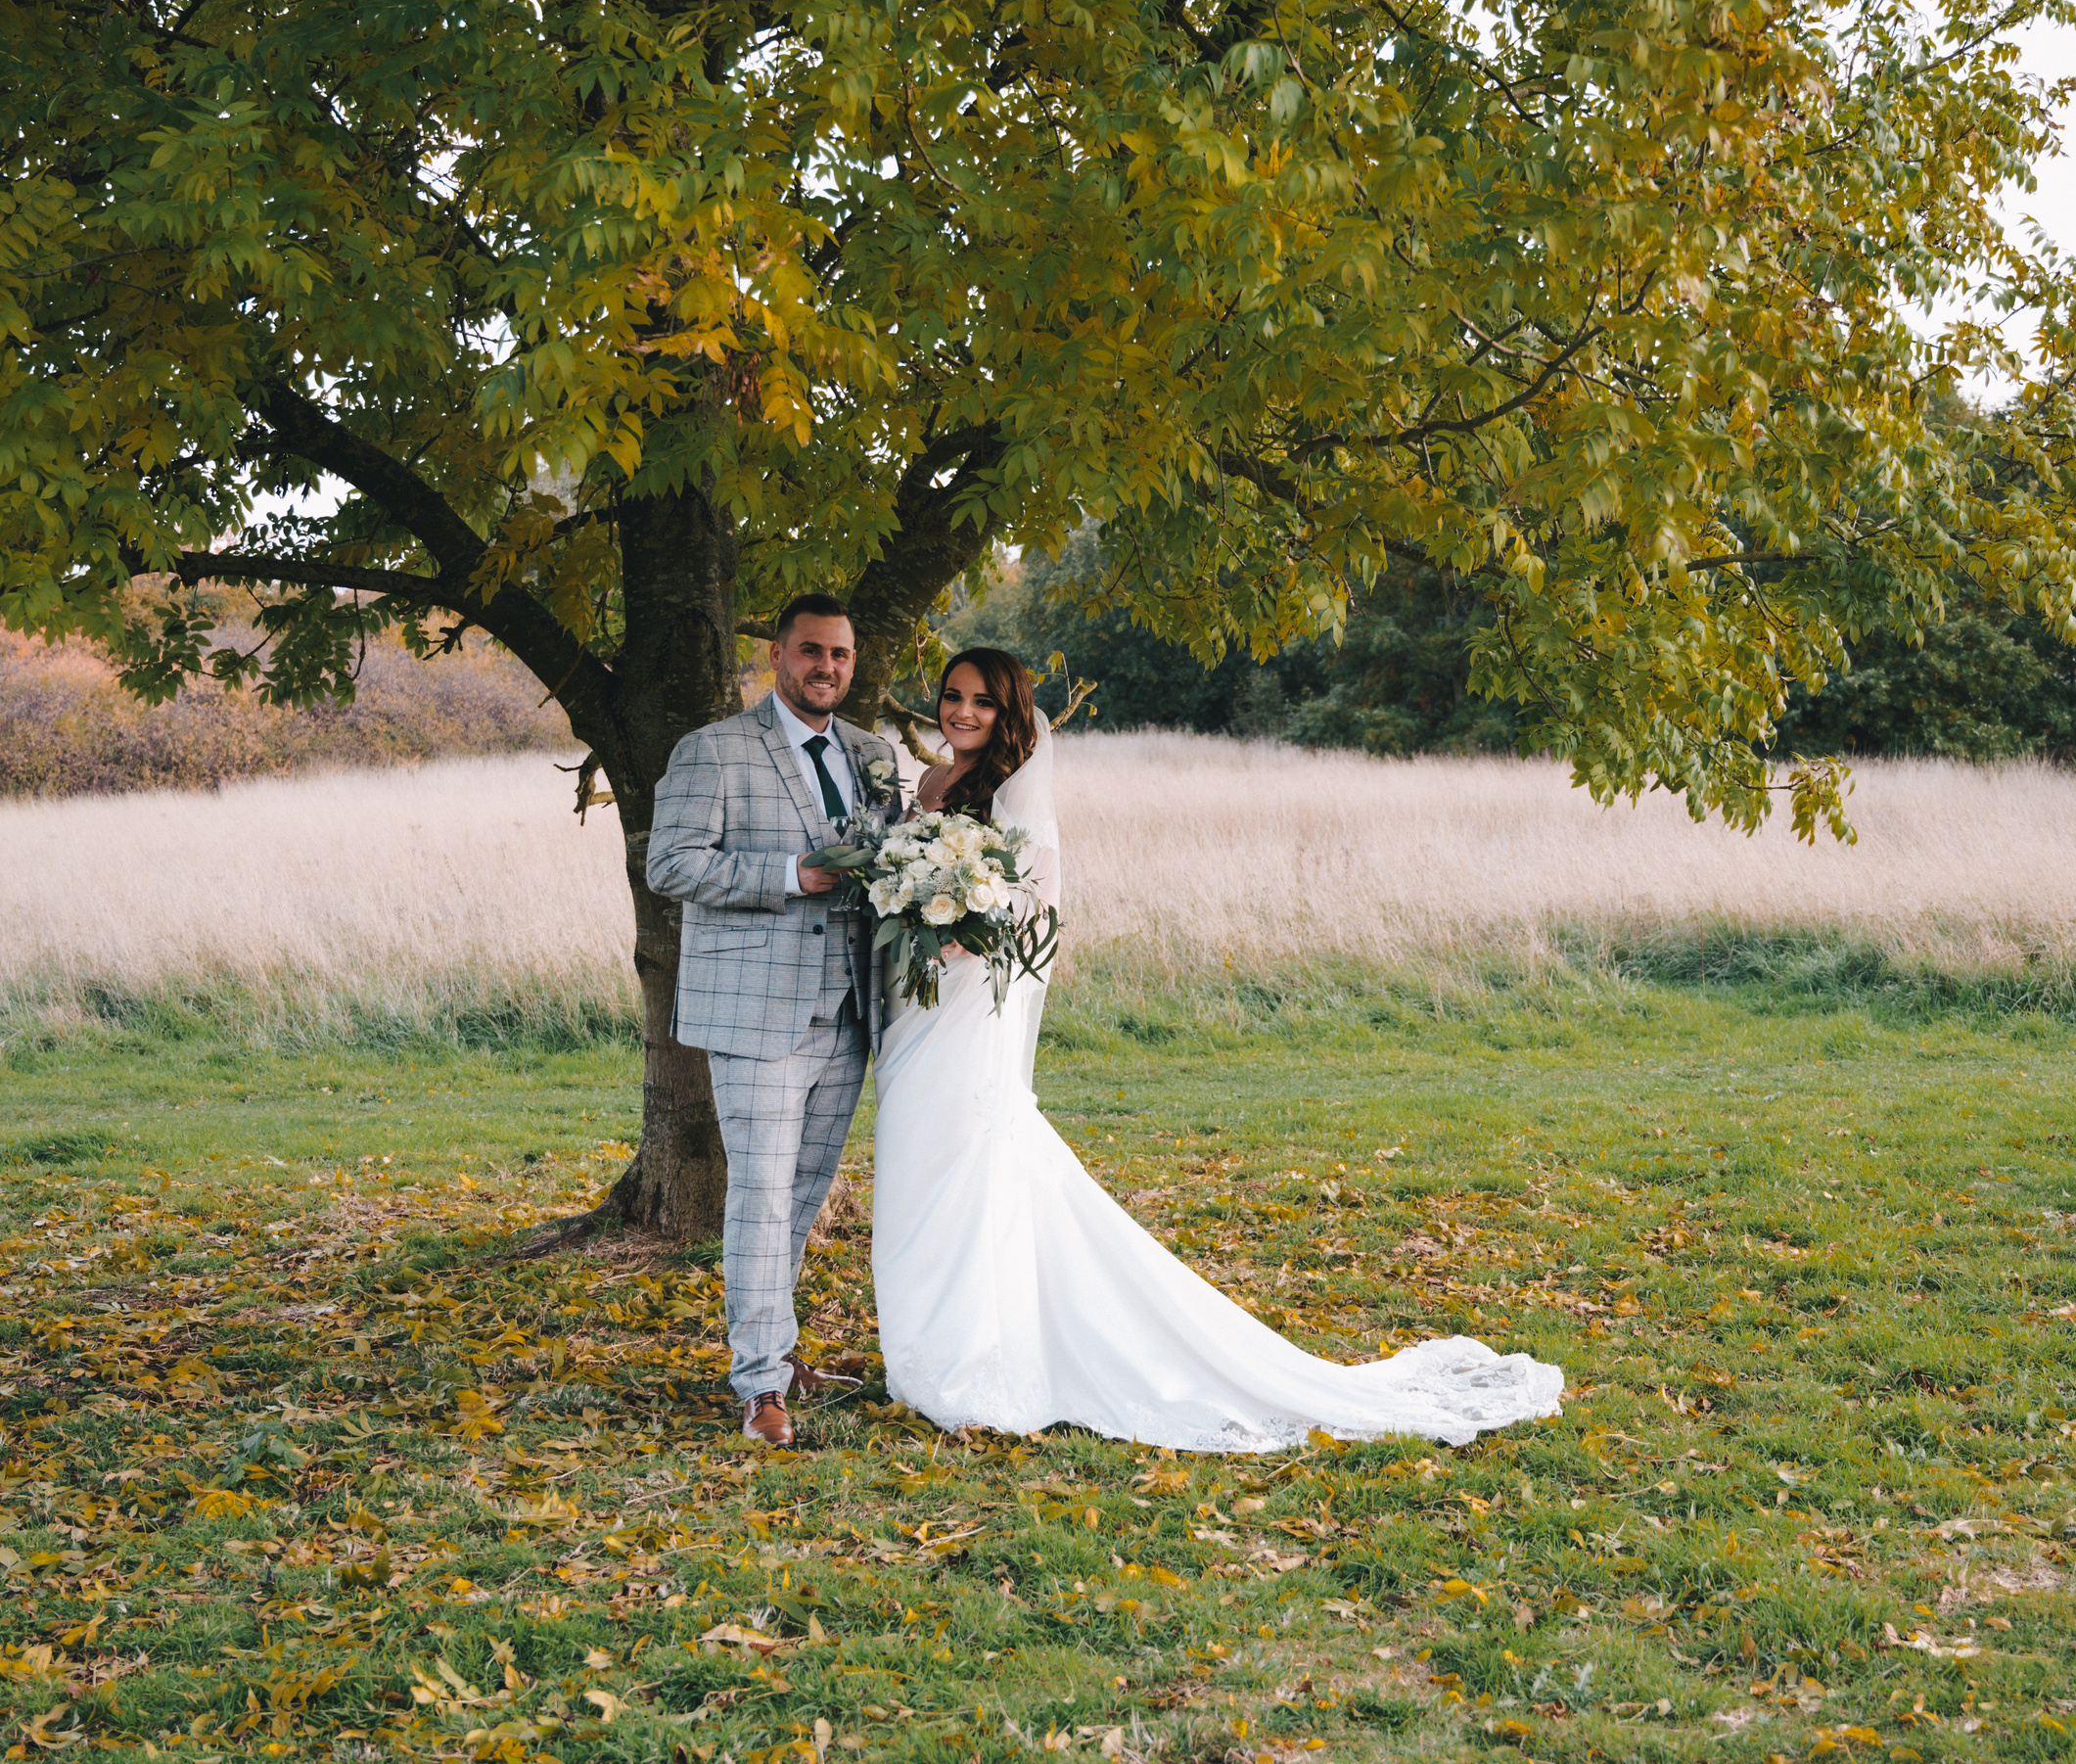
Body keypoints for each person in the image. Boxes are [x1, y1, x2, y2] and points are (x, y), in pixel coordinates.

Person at [871, 646, 1563, 1452]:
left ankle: (974, 1357)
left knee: (968, 1169)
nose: (962, 713)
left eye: (982, 703)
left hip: (969, 1011)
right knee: (917, 1161)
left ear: (1009, 712)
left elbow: (1037, 902)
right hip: (913, 1007)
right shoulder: (928, 786)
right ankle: (923, 1347)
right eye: (953, 697)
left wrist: (962, 937)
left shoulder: (1014, 789)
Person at [646, 593, 906, 1448]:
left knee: (801, 1193)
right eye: (809, 652)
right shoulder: (714, 751)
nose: (824, 667)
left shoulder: (876, 755)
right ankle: (758, 1387)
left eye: (839, 653)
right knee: (758, 1197)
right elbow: (673, 864)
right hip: (756, 1014)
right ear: (777, 656)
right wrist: (792, 875)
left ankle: (778, 1351)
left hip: (851, 1011)